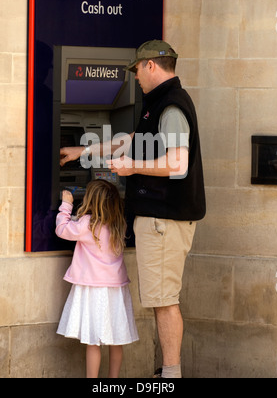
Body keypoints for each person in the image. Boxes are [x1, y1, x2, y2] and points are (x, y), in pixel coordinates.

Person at [60, 39, 206, 379]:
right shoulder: (157, 104)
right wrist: (83, 152)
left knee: (164, 301)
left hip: (164, 220)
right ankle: (168, 374)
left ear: (151, 66)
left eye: (137, 70)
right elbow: (130, 140)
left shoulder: (171, 107)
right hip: (160, 220)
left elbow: (178, 163)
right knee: (161, 299)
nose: (135, 77)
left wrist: (132, 167)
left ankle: (169, 378)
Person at [56, 179, 139, 378]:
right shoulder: (118, 223)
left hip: (93, 288)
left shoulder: (87, 224)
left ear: (90, 200)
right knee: (115, 339)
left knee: (94, 341)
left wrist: (66, 205)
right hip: (115, 290)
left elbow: (62, 230)